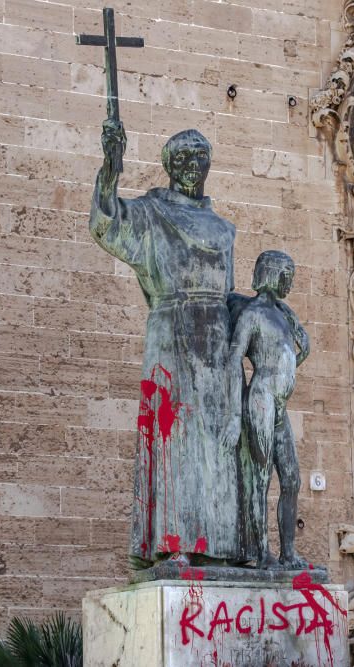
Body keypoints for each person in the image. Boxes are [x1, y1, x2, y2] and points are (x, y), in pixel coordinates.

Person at [90, 120, 241, 569]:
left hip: (215, 340)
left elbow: (230, 295)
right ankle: (172, 542)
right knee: (173, 435)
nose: (192, 166)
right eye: (182, 159)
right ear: (169, 166)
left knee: (216, 444)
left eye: (200, 159)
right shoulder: (151, 213)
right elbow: (106, 224)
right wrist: (110, 170)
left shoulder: (224, 229)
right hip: (172, 329)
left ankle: (218, 546)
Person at [222, 251, 310, 569]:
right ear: (274, 275)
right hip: (260, 398)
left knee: (292, 479)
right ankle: (261, 552)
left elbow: (299, 349)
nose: (291, 281)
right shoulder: (252, 313)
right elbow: (235, 359)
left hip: (279, 403)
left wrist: (294, 354)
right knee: (260, 478)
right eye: (288, 275)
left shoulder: (282, 313)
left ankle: (288, 552)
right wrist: (234, 413)